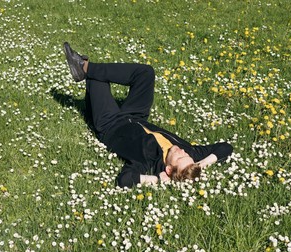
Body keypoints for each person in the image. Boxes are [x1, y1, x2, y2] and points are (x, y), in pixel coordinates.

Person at [63, 42, 233, 188]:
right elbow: (225, 148)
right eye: (187, 156)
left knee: (97, 78)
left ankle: (85, 71)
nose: (182, 151)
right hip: (136, 116)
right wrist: (201, 164)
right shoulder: (190, 155)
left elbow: (125, 180)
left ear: (168, 169)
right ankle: (84, 67)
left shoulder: (148, 162)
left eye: (180, 156)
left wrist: (156, 179)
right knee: (146, 73)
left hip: (110, 124)